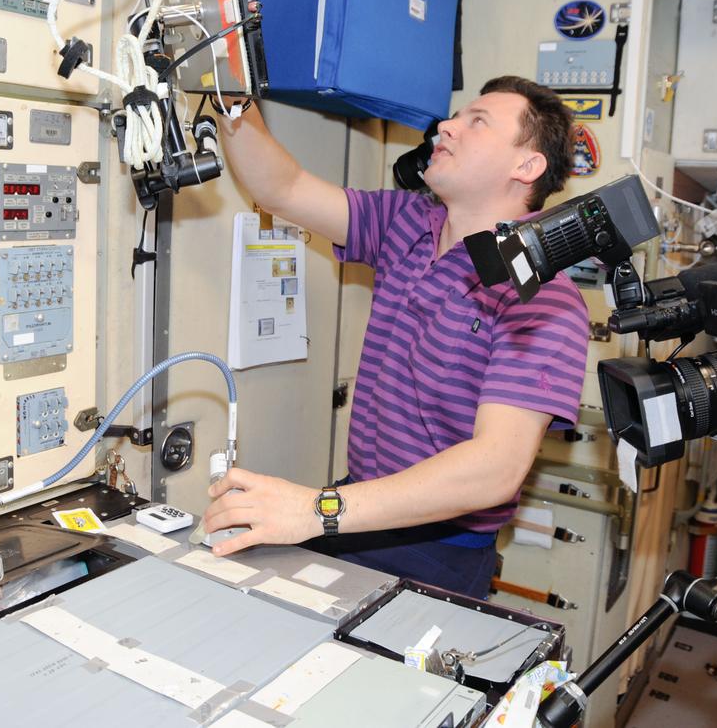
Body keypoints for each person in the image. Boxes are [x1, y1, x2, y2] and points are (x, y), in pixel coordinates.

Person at [201, 76, 590, 599]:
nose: (447, 126)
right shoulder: (407, 222)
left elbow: (495, 469)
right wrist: (229, 93)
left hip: (438, 551)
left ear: (526, 167)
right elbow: (283, 189)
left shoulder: (542, 294)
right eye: (455, 116)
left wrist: (316, 509)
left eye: (477, 121)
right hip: (354, 513)